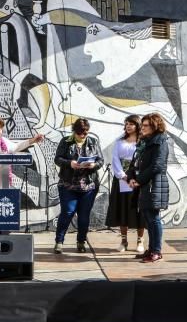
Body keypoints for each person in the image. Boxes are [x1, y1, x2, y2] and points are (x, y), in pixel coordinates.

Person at [0, 114, 44, 235]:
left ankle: (4, 248)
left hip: (3, 188)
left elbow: (18, 146)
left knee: (4, 221)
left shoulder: (5, 143)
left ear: (1, 130)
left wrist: (33, 140)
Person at [53, 118, 103, 254]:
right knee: (67, 212)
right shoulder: (66, 141)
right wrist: (70, 163)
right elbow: (57, 159)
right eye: (80, 133)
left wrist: (94, 165)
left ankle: (81, 241)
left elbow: (100, 160)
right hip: (68, 185)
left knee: (84, 216)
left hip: (88, 186)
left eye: (85, 133)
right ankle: (59, 241)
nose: (82, 135)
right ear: (74, 131)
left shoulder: (93, 142)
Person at [127, 112, 169, 263]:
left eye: (146, 125)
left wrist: (139, 180)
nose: (142, 128)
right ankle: (151, 250)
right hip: (143, 184)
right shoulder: (143, 142)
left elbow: (157, 165)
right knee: (147, 217)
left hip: (153, 184)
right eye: (142, 125)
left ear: (155, 126)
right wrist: (131, 177)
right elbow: (134, 162)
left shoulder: (160, 142)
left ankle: (156, 251)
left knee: (153, 218)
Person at [106, 114, 145, 253]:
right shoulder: (119, 142)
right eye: (127, 123)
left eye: (132, 124)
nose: (128, 126)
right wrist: (123, 176)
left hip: (138, 181)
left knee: (139, 211)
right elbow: (115, 160)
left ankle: (140, 240)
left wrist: (137, 179)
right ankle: (124, 241)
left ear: (138, 125)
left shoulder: (143, 142)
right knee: (122, 209)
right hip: (122, 180)